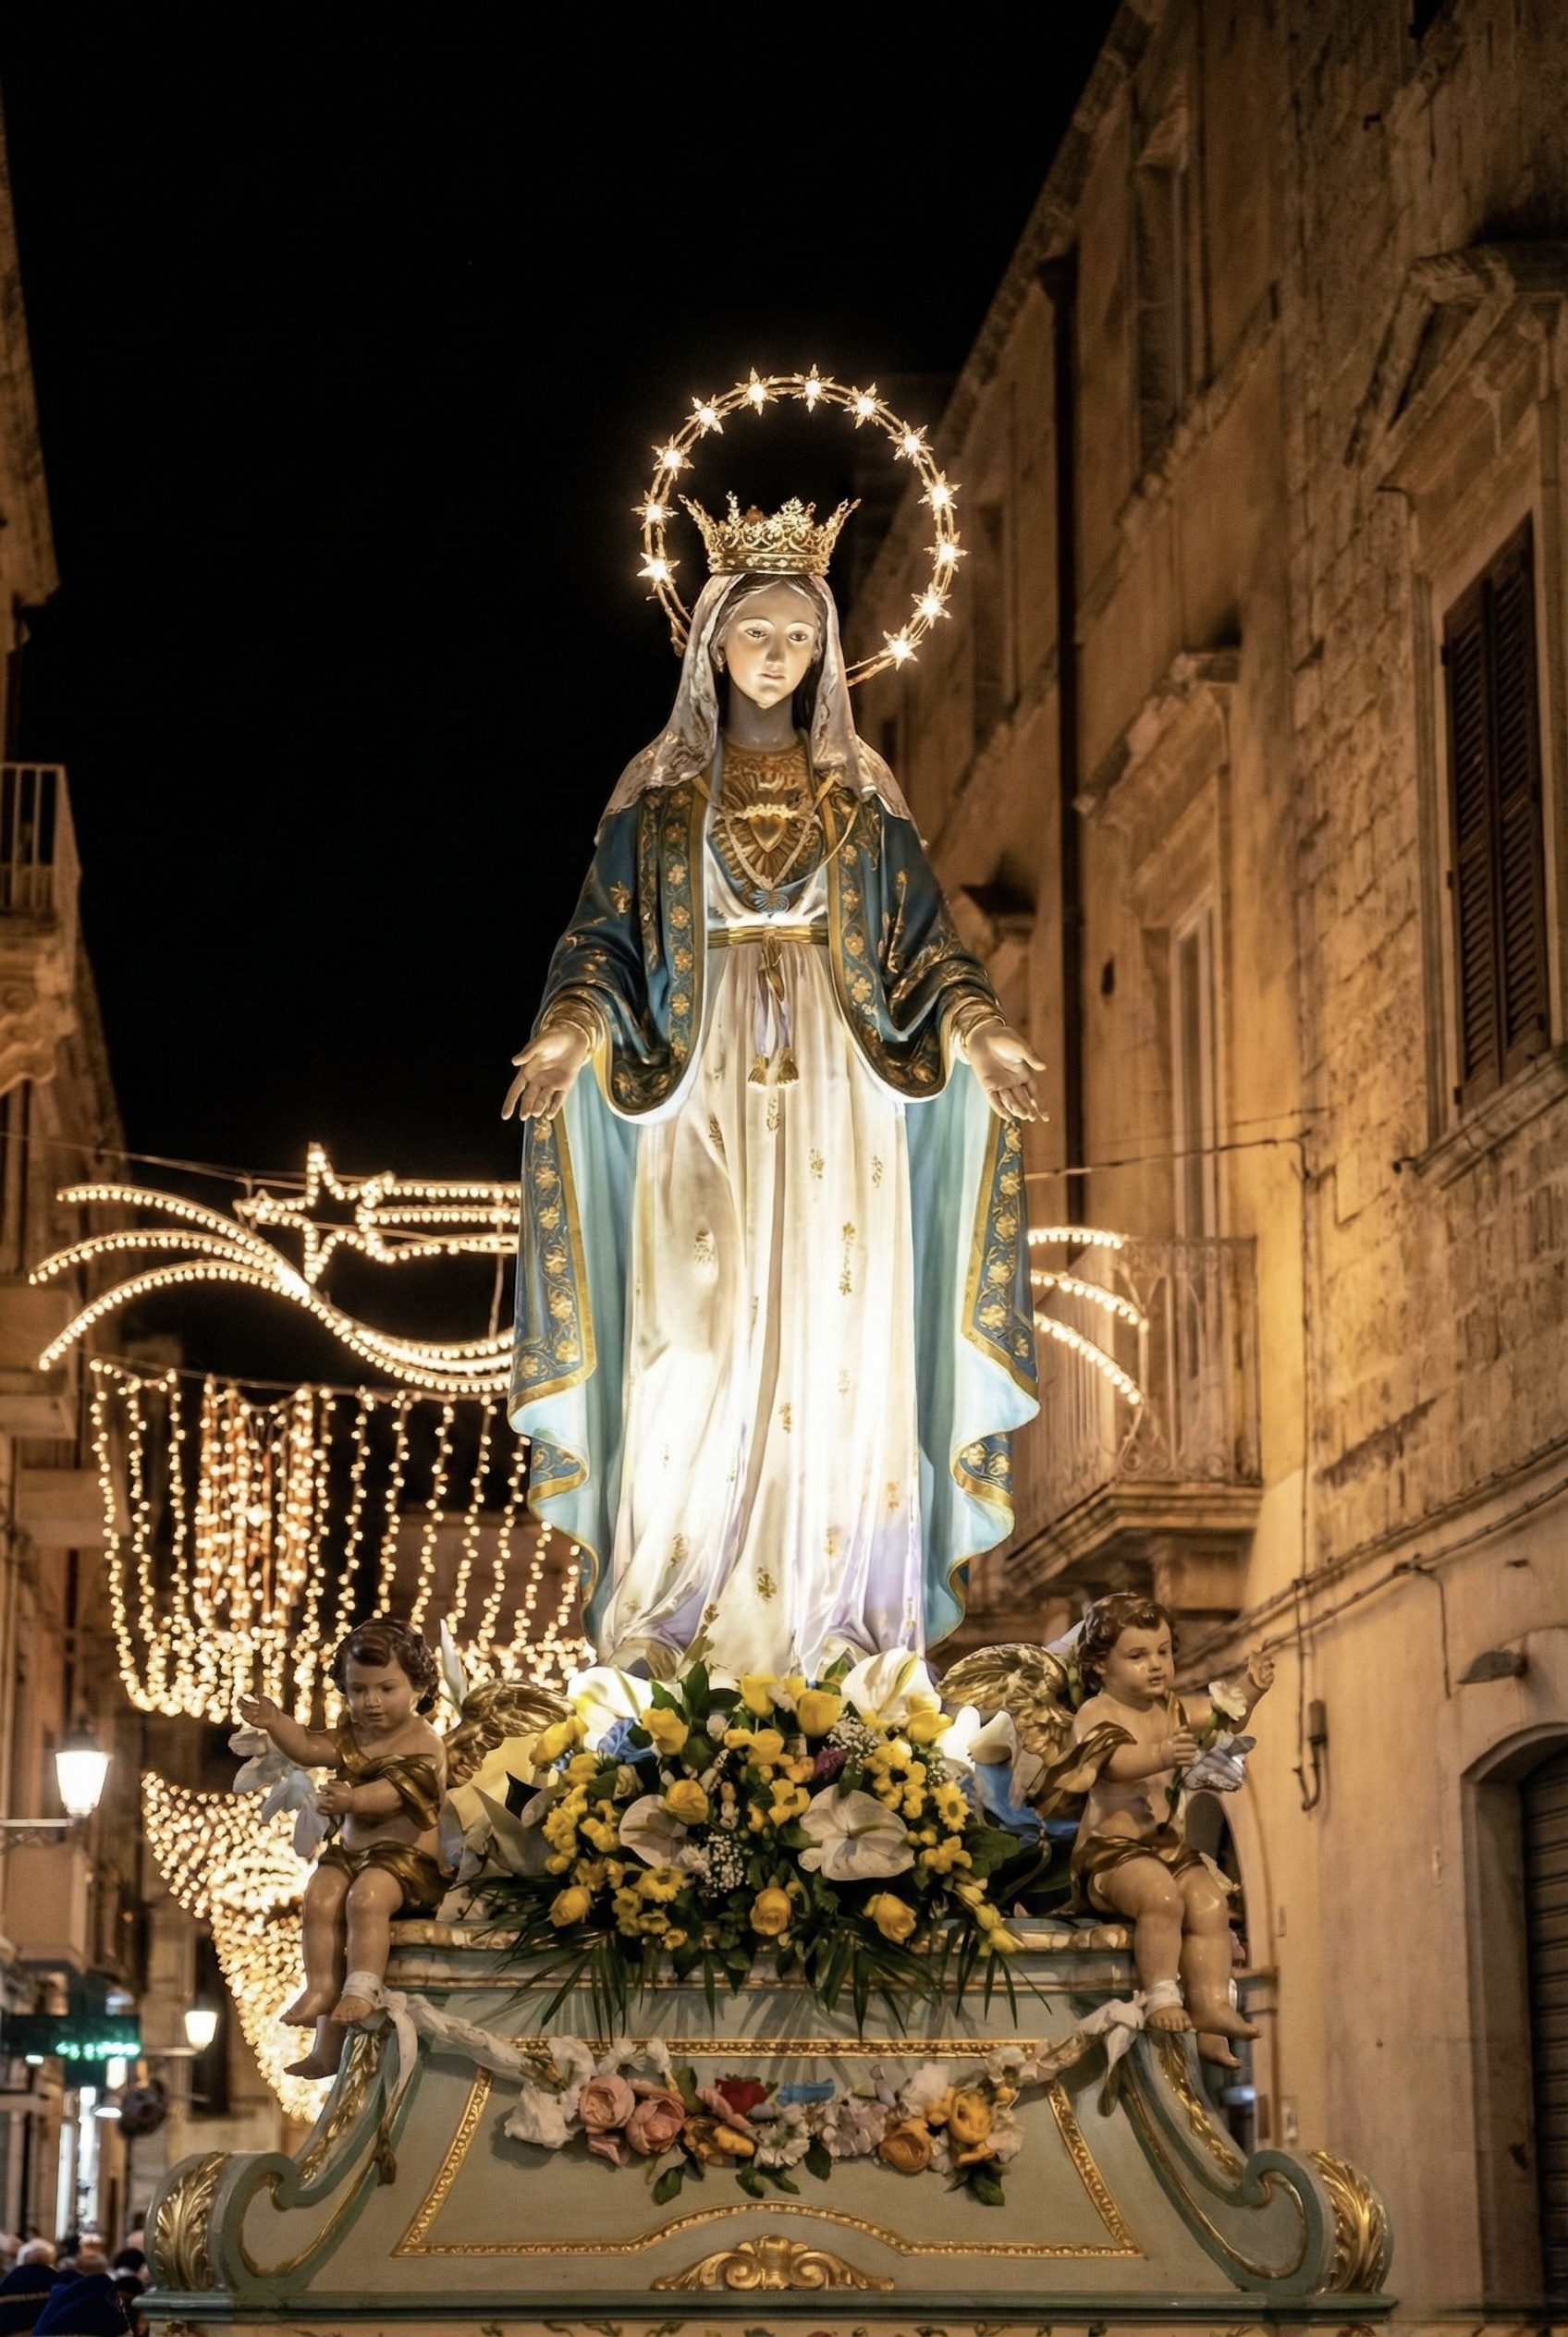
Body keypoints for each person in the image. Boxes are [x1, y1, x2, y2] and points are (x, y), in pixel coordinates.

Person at [505, 496, 1042, 1682]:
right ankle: (675, 1605)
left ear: (824, 654)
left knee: (836, 1332)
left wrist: (980, 1028)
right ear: (710, 642)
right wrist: (567, 1032)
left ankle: (844, 1617)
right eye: (757, 633)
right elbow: (602, 942)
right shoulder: (657, 799)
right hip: (691, 1087)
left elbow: (923, 945)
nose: (778, 656)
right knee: (689, 1337)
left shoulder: (863, 797)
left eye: (800, 638)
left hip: (842, 1089)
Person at [1066, 1592, 1273, 2058]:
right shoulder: (1097, 1713)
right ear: (1100, 1664)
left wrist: (1252, 1685)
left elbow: (1226, 1715)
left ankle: (1211, 2006)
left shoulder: (1174, 1709)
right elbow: (1111, 1762)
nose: (1156, 1665)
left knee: (1210, 1904)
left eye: (1163, 1651)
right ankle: (1162, 1995)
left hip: (1166, 1846)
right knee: (1161, 1897)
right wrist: (1159, 1755)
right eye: (1137, 1656)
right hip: (1112, 1853)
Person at [238, 1617, 446, 2078]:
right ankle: (321, 1995)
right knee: (320, 1896)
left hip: (406, 1862)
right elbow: (311, 1748)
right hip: (351, 1853)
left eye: (386, 1689)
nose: (370, 1702)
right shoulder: (355, 1734)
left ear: (418, 1687)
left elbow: (395, 1793)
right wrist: (276, 1722)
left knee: (365, 1900)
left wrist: (353, 1798)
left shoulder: (424, 1743)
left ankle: (362, 1988)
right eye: (358, 1690)